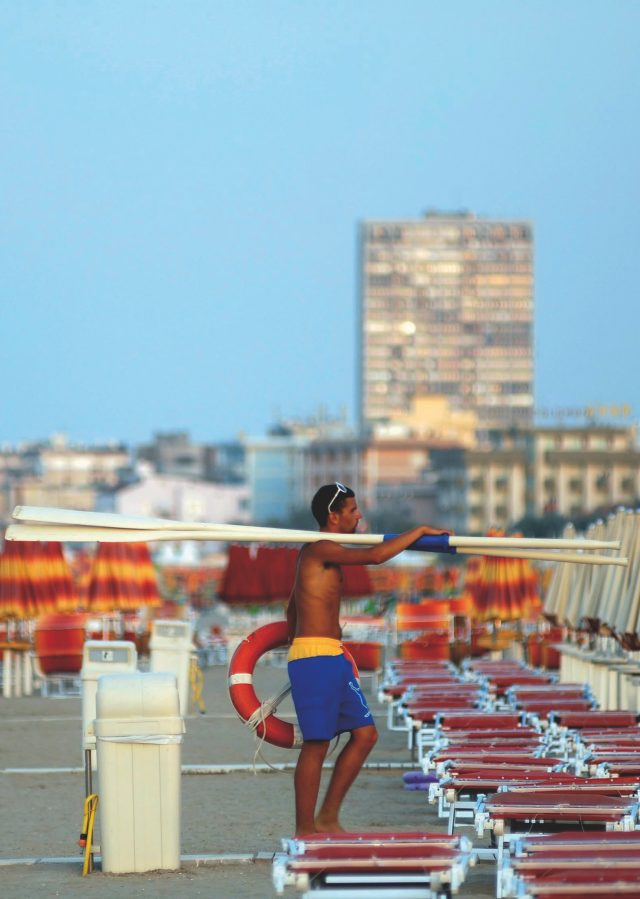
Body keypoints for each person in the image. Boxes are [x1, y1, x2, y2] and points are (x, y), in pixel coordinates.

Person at [286, 482, 452, 836]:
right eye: (352, 510)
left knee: (365, 734)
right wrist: (420, 530)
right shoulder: (319, 548)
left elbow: (292, 602)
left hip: (330, 655)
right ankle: (304, 829)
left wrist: (294, 632)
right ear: (334, 516)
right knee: (318, 743)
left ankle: (328, 817)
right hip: (314, 656)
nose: (359, 516)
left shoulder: (322, 552)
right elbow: (376, 557)